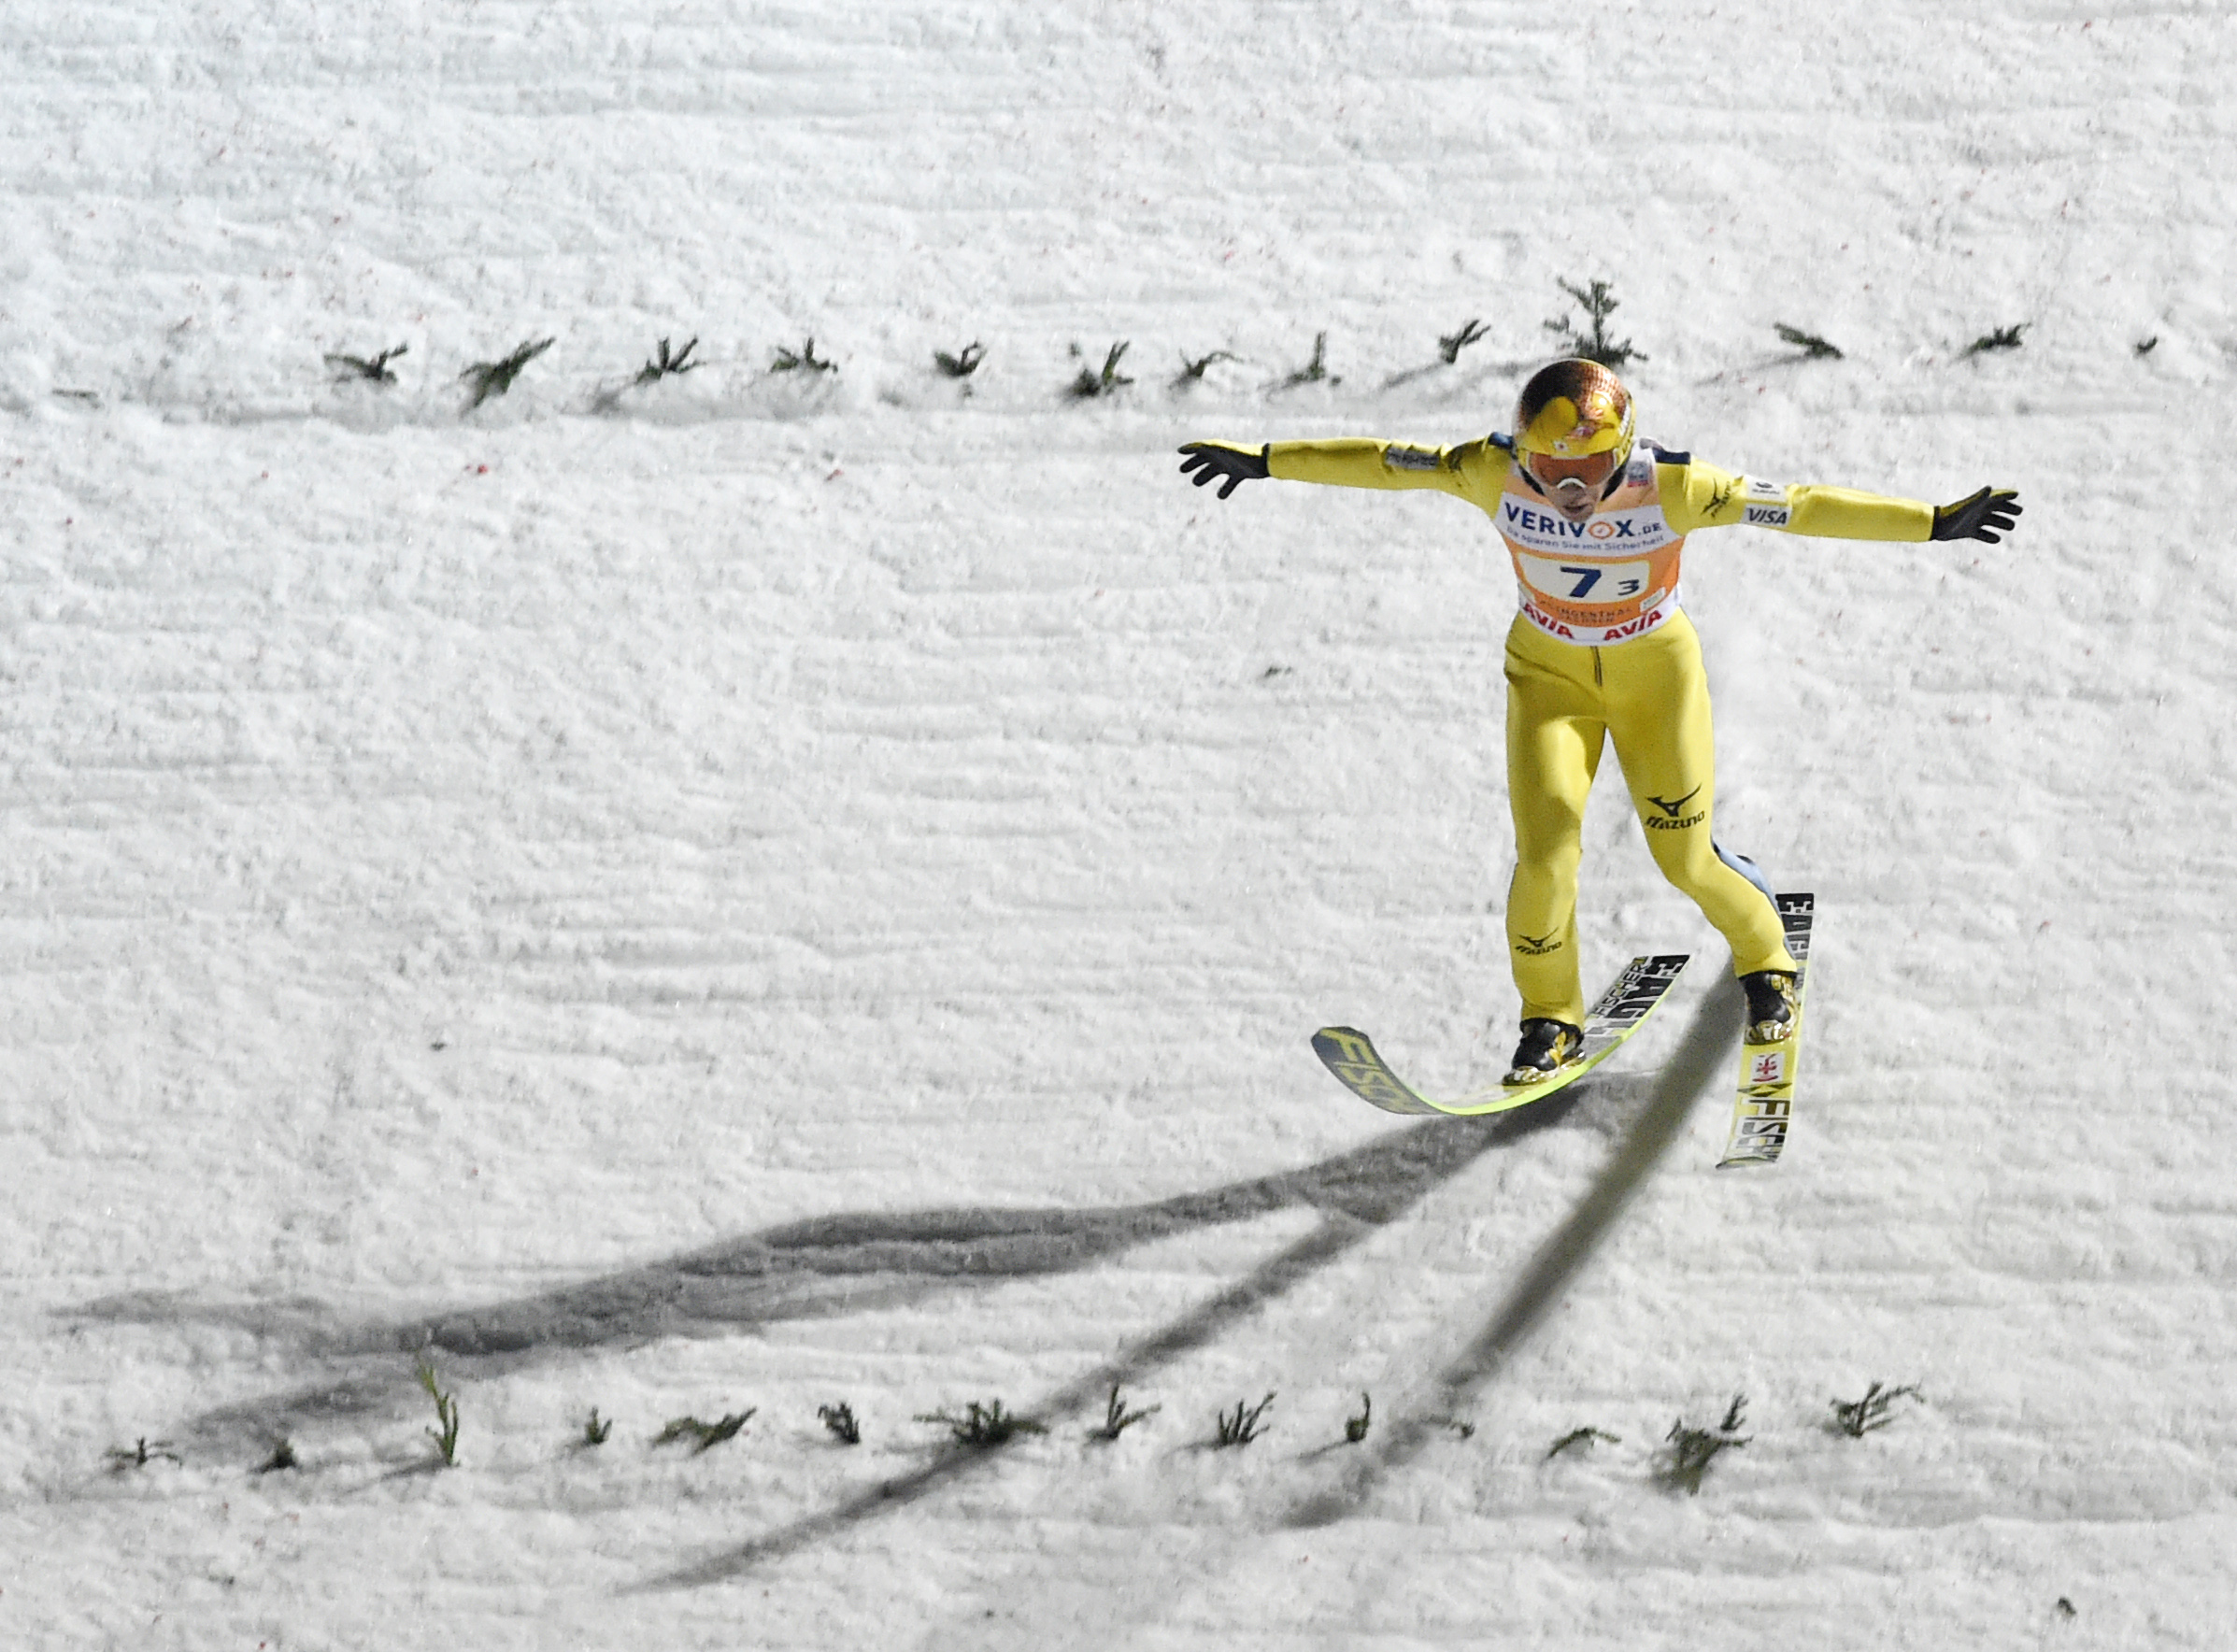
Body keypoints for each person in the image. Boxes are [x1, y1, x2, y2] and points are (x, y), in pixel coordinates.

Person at [1177, 358, 2019, 1083]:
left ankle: (1767, 960)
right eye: (1548, 470)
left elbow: (1797, 506)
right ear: (1520, 451)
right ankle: (1549, 1019)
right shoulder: (1489, 469)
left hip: (1657, 680)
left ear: (1624, 452)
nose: (1569, 491)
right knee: (1545, 860)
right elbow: (1384, 463)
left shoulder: (1677, 488)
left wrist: (1933, 524)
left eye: (1587, 472)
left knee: (1683, 857)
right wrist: (1265, 460)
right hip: (1549, 682)